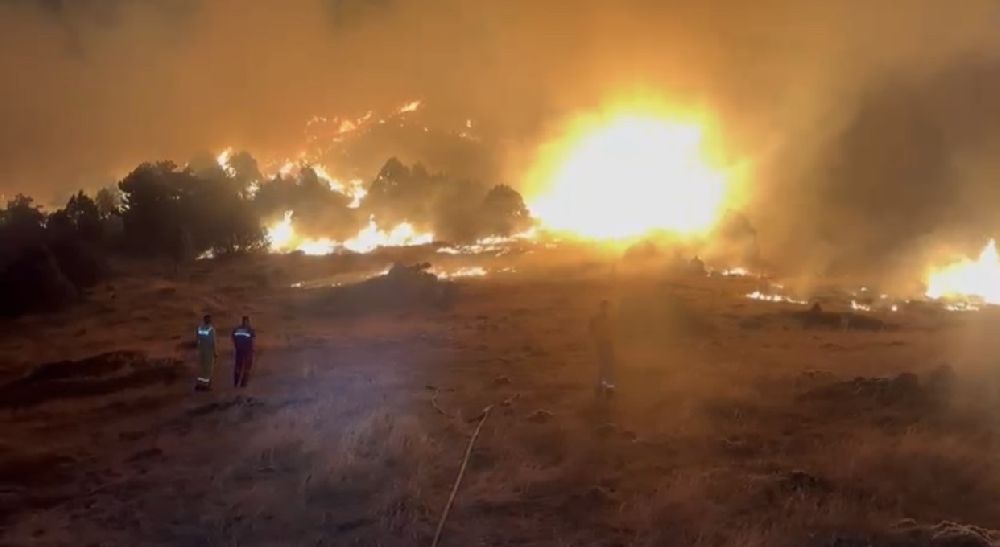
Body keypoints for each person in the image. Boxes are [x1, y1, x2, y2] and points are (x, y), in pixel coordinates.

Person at [589, 300, 616, 396]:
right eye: (606, 307)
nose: (607, 309)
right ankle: (606, 387)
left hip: (604, 343)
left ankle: (602, 386)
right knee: (606, 365)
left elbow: (591, 330)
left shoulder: (598, 318)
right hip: (603, 343)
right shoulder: (603, 319)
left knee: (605, 365)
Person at [231, 315, 256, 388]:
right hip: (247, 351)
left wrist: (236, 344)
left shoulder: (237, 329)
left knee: (238, 366)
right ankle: (243, 383)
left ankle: (236, 382)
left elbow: (233, 337)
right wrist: (253, 349)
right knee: (247, 367)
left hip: (239, 350)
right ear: (247, 321)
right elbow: (253, 339)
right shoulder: (249, 329)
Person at [195, 314, 217, 391]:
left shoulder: (200, 328)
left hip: (201, 350)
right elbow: (213, 342)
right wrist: (215, 352)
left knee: (201, 368)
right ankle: (206, 385)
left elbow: (197, 339)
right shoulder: (211, 329)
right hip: (208, 351)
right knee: (208, 369)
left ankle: (199, 384)